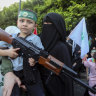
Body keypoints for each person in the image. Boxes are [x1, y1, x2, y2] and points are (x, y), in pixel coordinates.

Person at [0, 9, 45, 96]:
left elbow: (40, 55)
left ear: (35, 25)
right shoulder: (11, 37)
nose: (25, 24)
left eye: (29, 22)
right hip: (15, 72)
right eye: (22, 21)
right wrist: (8, 53)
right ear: (17, 22)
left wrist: (34, 61)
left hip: (31, 73)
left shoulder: (36, 39)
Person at [39, 13, 73, 96]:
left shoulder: (62, 48)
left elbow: (66, 78)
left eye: (49, 23)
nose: (46, 25)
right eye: (45, 23)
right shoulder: (37, 41)